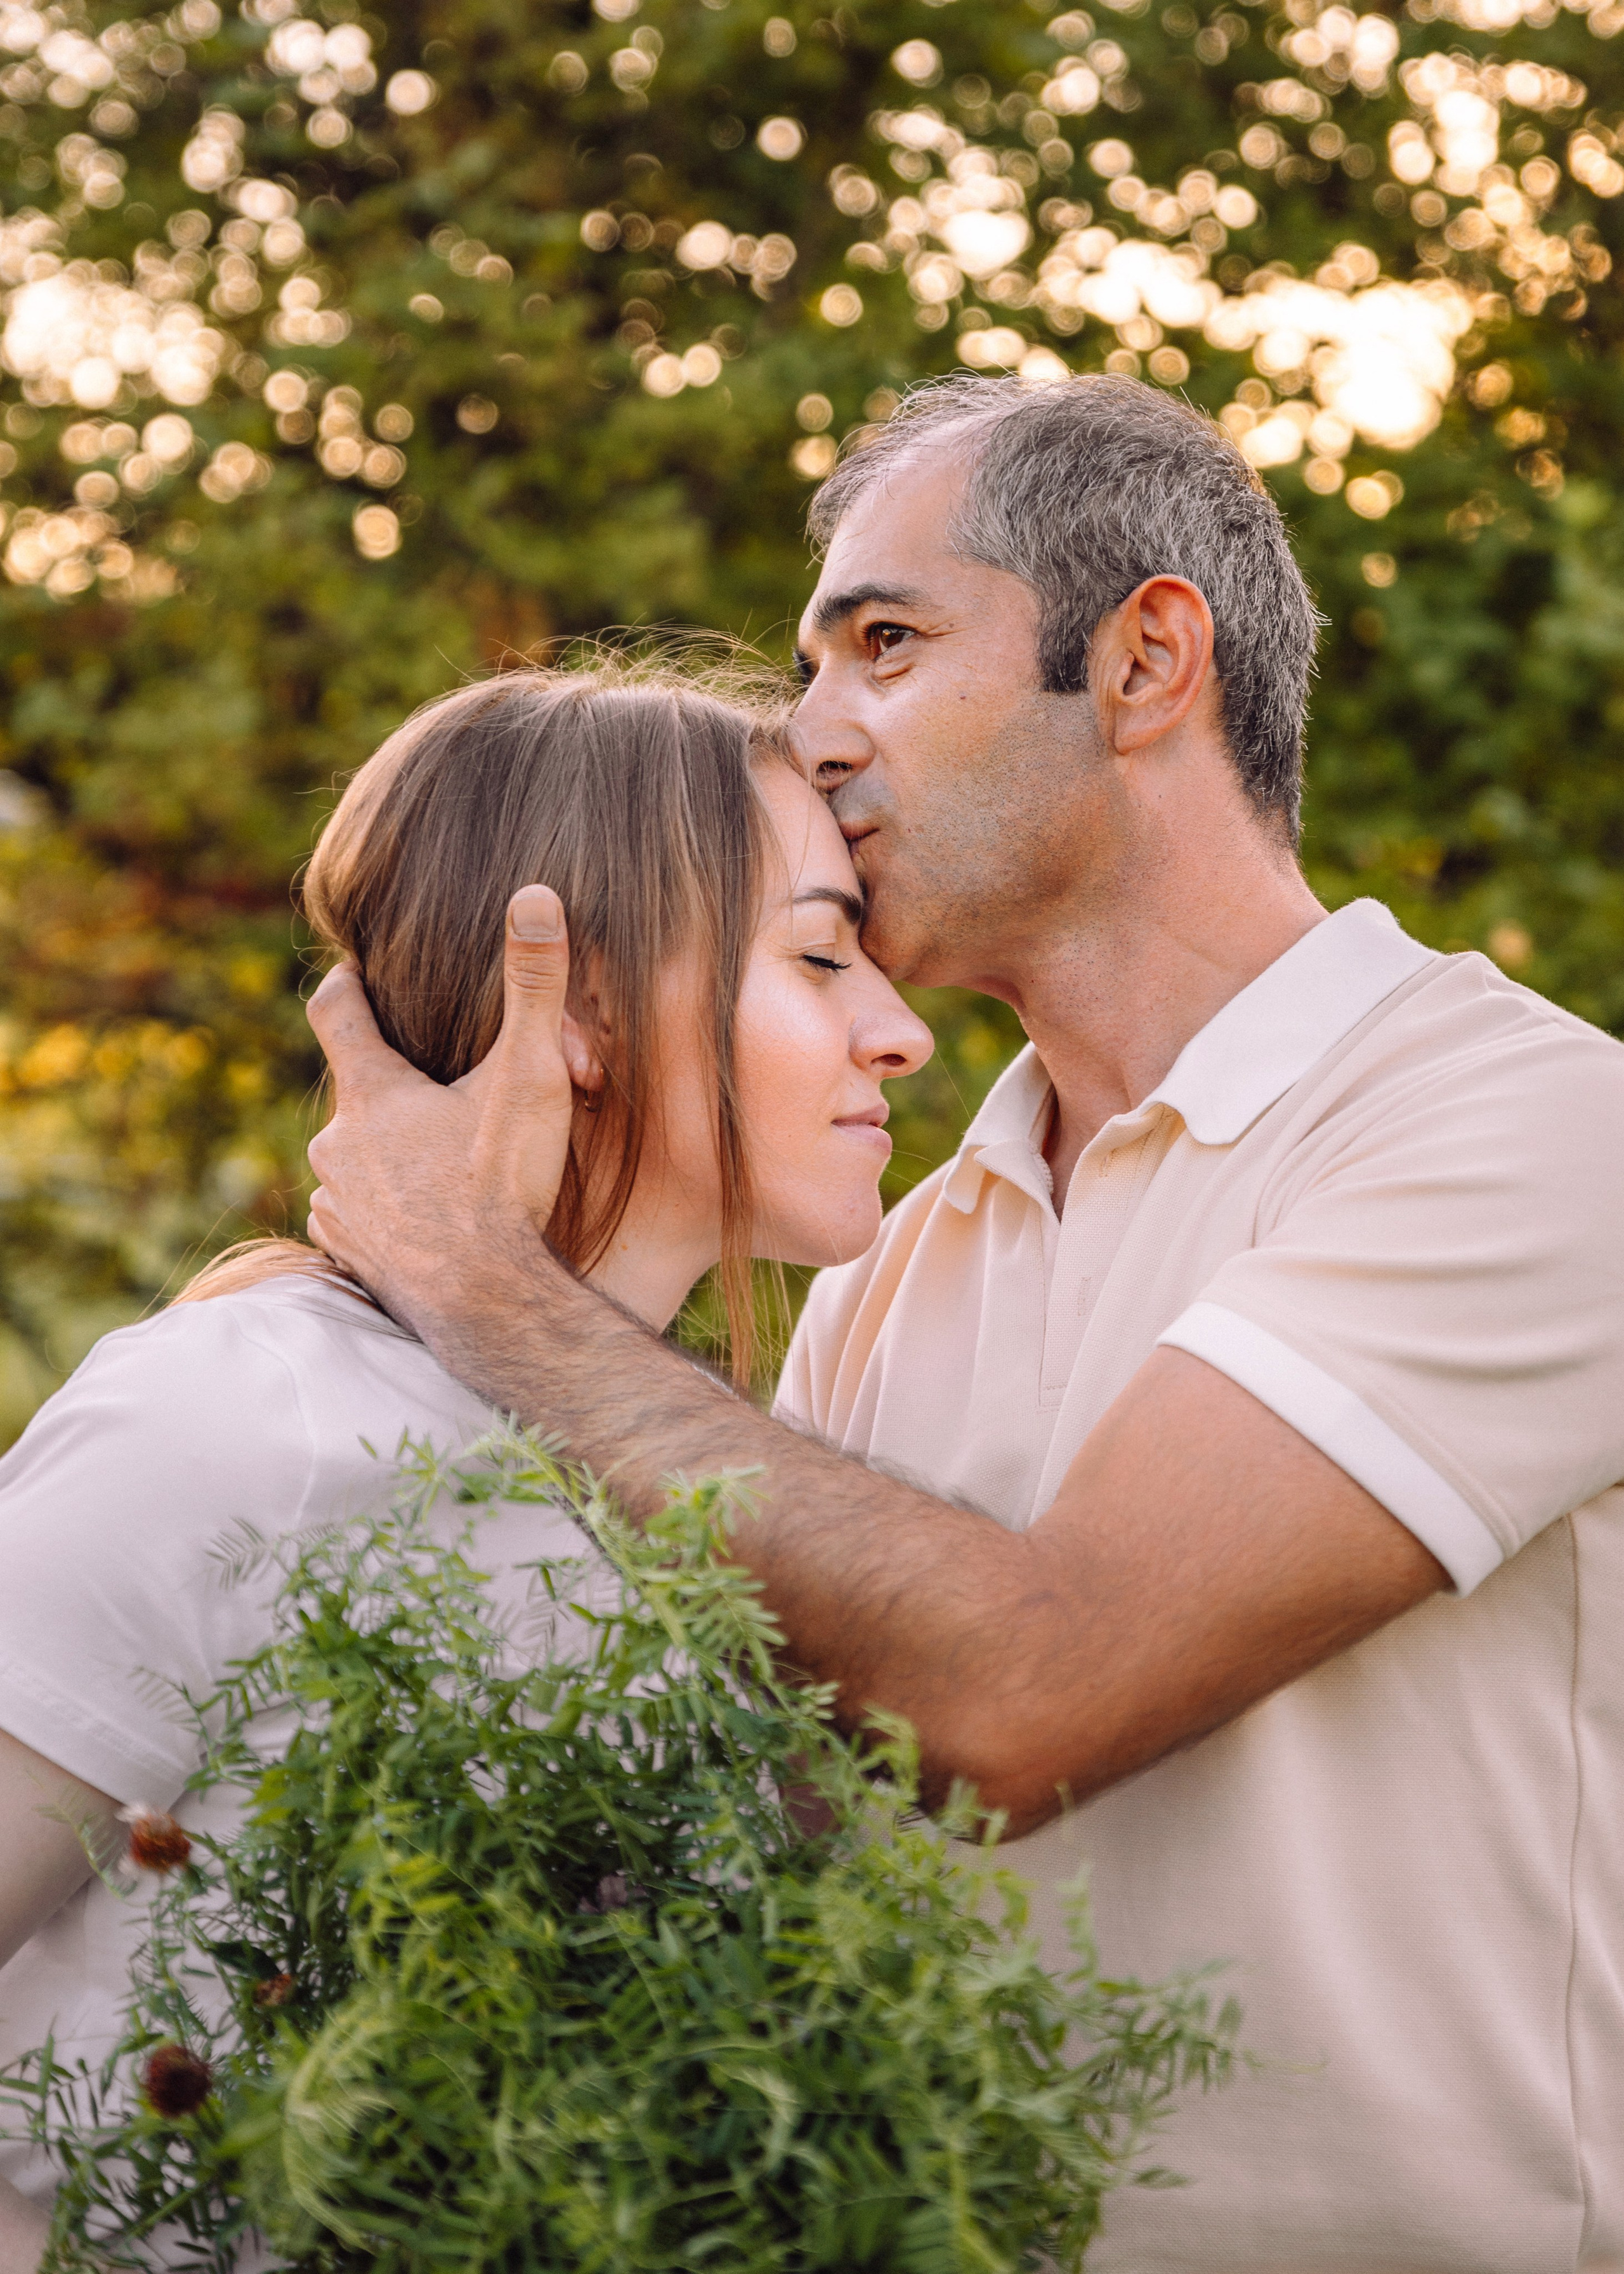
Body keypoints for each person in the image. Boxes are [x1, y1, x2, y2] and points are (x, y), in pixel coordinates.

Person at [303, 374, 1624, 2274]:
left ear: (1146, 658)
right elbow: (782, 1850)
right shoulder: (895, 1260)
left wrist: (478, 1275)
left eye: (887, 645)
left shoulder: (1524, 1129)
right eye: (809, 667)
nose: (810, 734)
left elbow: (1022, 1695)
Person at [0, 666, 931, 2264]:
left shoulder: (690, 1508)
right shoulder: (243, 1415)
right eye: (819, 954)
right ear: (576, 1009)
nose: (899, 1031)